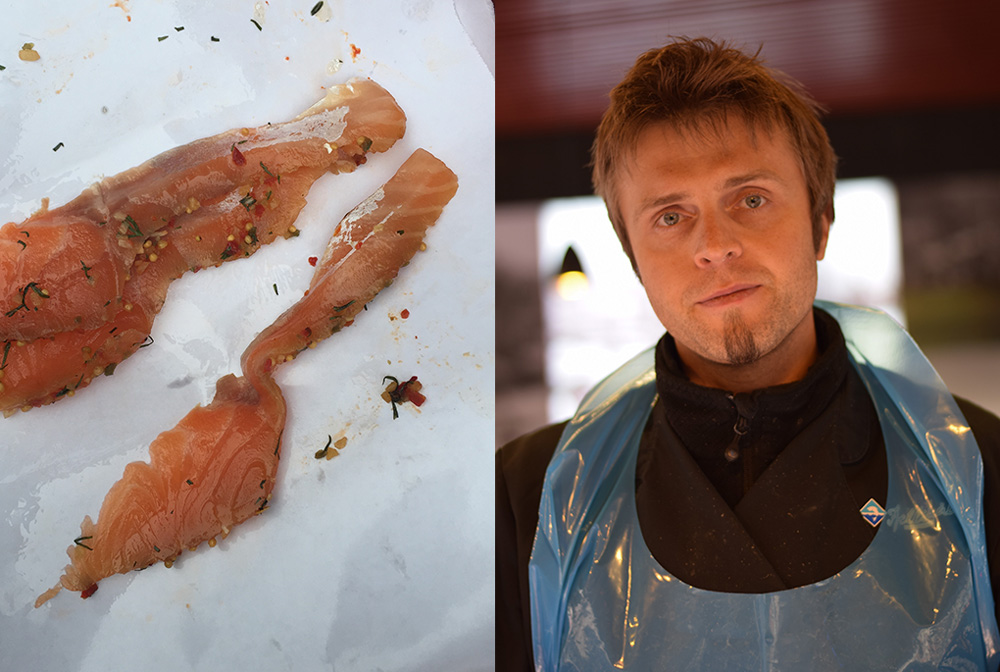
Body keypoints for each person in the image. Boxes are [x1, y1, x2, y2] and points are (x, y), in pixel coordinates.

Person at [496, 37, 1000, 671]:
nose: (714, 246)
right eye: (671, 217)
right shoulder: (531, 495)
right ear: (634, 260)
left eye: (751, 199)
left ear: (820, 222)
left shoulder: (976, 470)